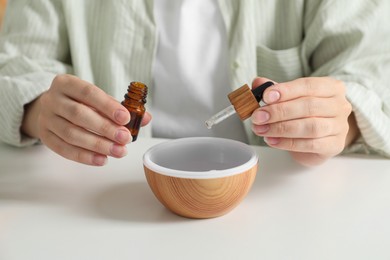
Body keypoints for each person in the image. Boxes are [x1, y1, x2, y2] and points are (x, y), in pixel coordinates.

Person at [0, 0, 389, 167]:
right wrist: (38, 111)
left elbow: (371, 72)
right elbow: (14, 68)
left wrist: (339, 122)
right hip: (109, 191)